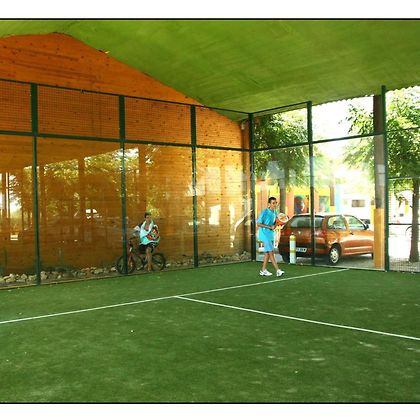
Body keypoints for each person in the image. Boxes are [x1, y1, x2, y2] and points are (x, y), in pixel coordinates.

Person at [256, 197, 285, 277]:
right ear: (269, 204)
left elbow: (274, 224)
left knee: (267, 253)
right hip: (264, 235)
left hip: (270, 235)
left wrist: (277, 224)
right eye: (273, 203)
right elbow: (258, 223)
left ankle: (263, 270)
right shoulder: (264, 212)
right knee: (271, 252)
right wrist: (269, 227)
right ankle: (278, 270)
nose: (275, 204)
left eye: (275, 203)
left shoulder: (275, 212)